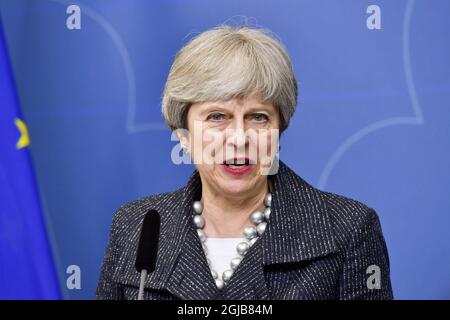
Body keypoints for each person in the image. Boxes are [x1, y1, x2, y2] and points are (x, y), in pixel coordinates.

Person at [96, 25, 393, 300]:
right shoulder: (136, 226)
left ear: (279, 130)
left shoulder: (349, 229)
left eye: (258, 117)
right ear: (183, 134)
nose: (239, 138)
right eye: (217, 117)